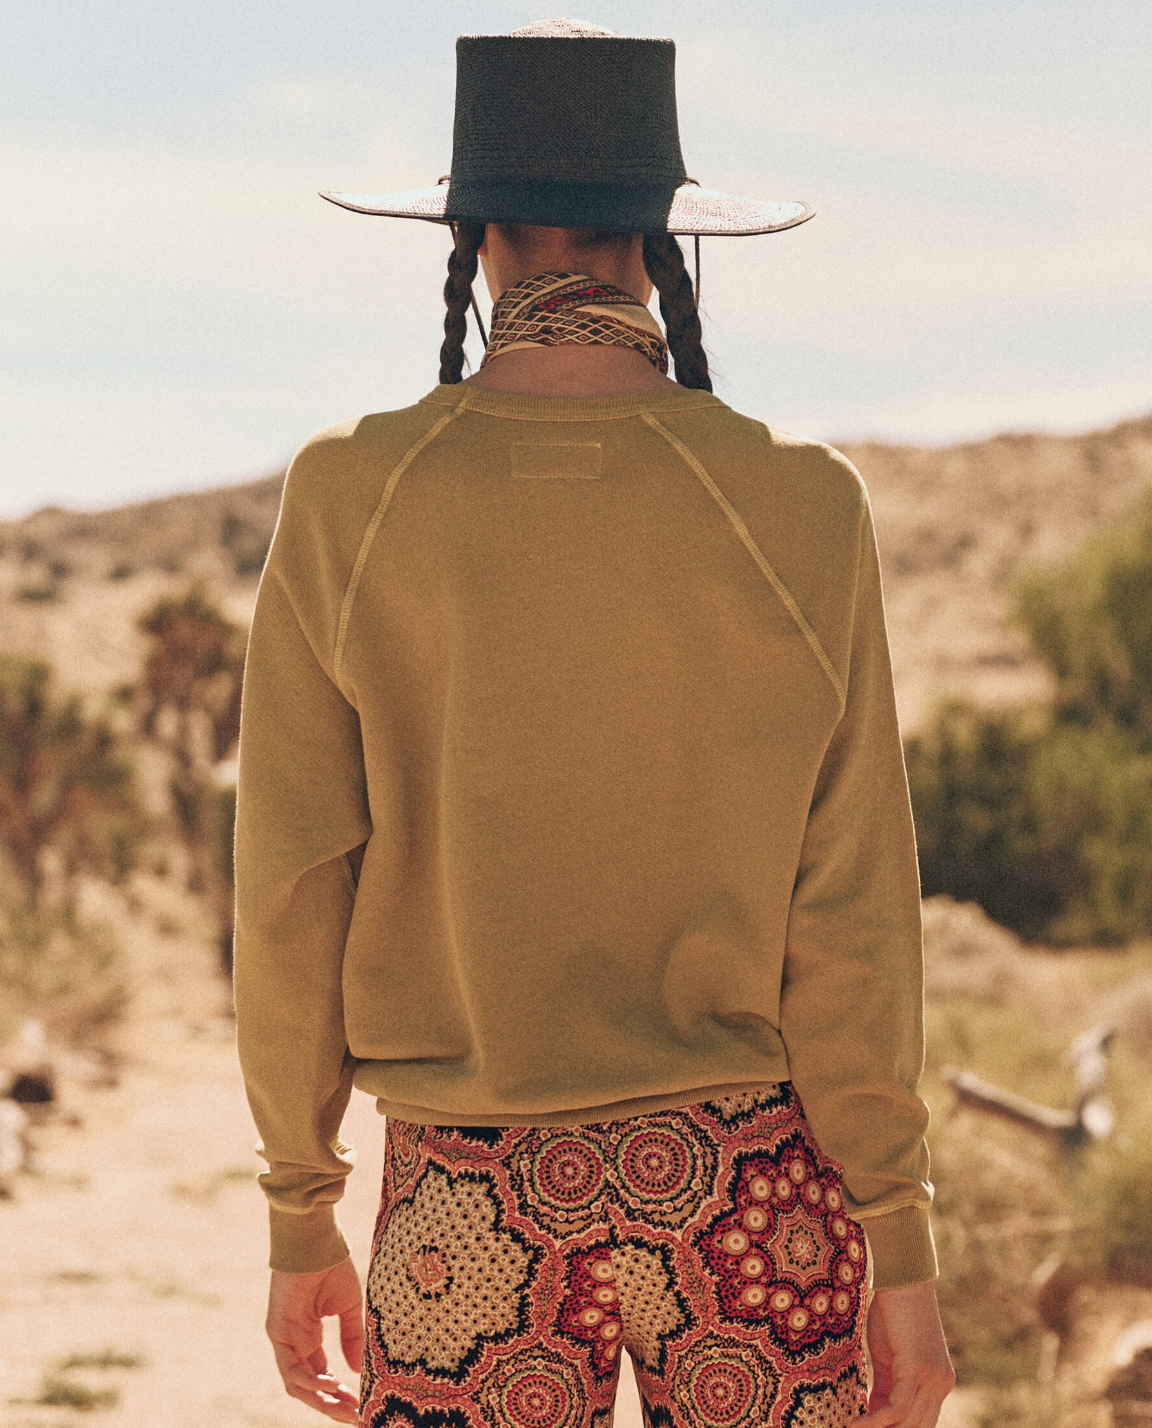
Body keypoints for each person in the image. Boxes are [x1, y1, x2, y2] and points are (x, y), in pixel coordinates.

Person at [233, 19, 956, 1428]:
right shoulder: (803, 507)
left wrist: (298, 1209)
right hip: (761, 1198)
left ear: (477, 233)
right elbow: (856, 903)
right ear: (662, 239)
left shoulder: (353, 496)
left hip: (465, 1198)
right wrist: (904, 1241)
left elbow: (291, 885)